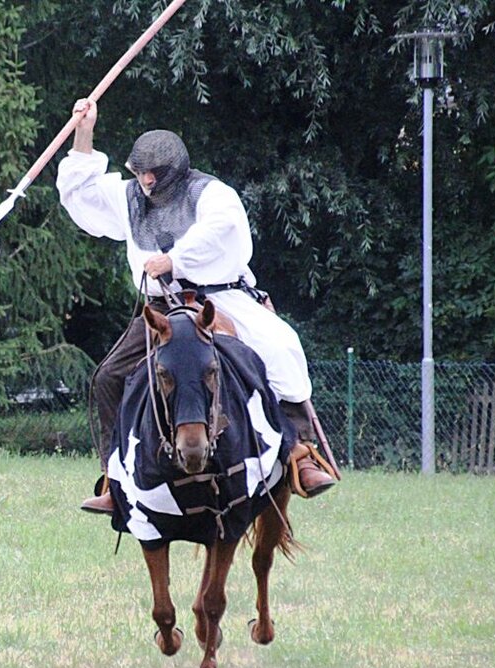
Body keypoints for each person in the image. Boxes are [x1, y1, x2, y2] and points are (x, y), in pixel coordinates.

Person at [56, 98, 337, 514]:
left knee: (280, 347)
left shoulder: (211, 193)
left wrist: (176, 259)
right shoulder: (130, 196)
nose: (147, 181)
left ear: (175, 172)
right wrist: (84, 130)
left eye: (154, 174)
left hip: (219, 298)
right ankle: (116, 478)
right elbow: (82, 197)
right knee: (108, 378)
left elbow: (217, 229)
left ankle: (300, 454)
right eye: (140, 173)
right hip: (159, 311)